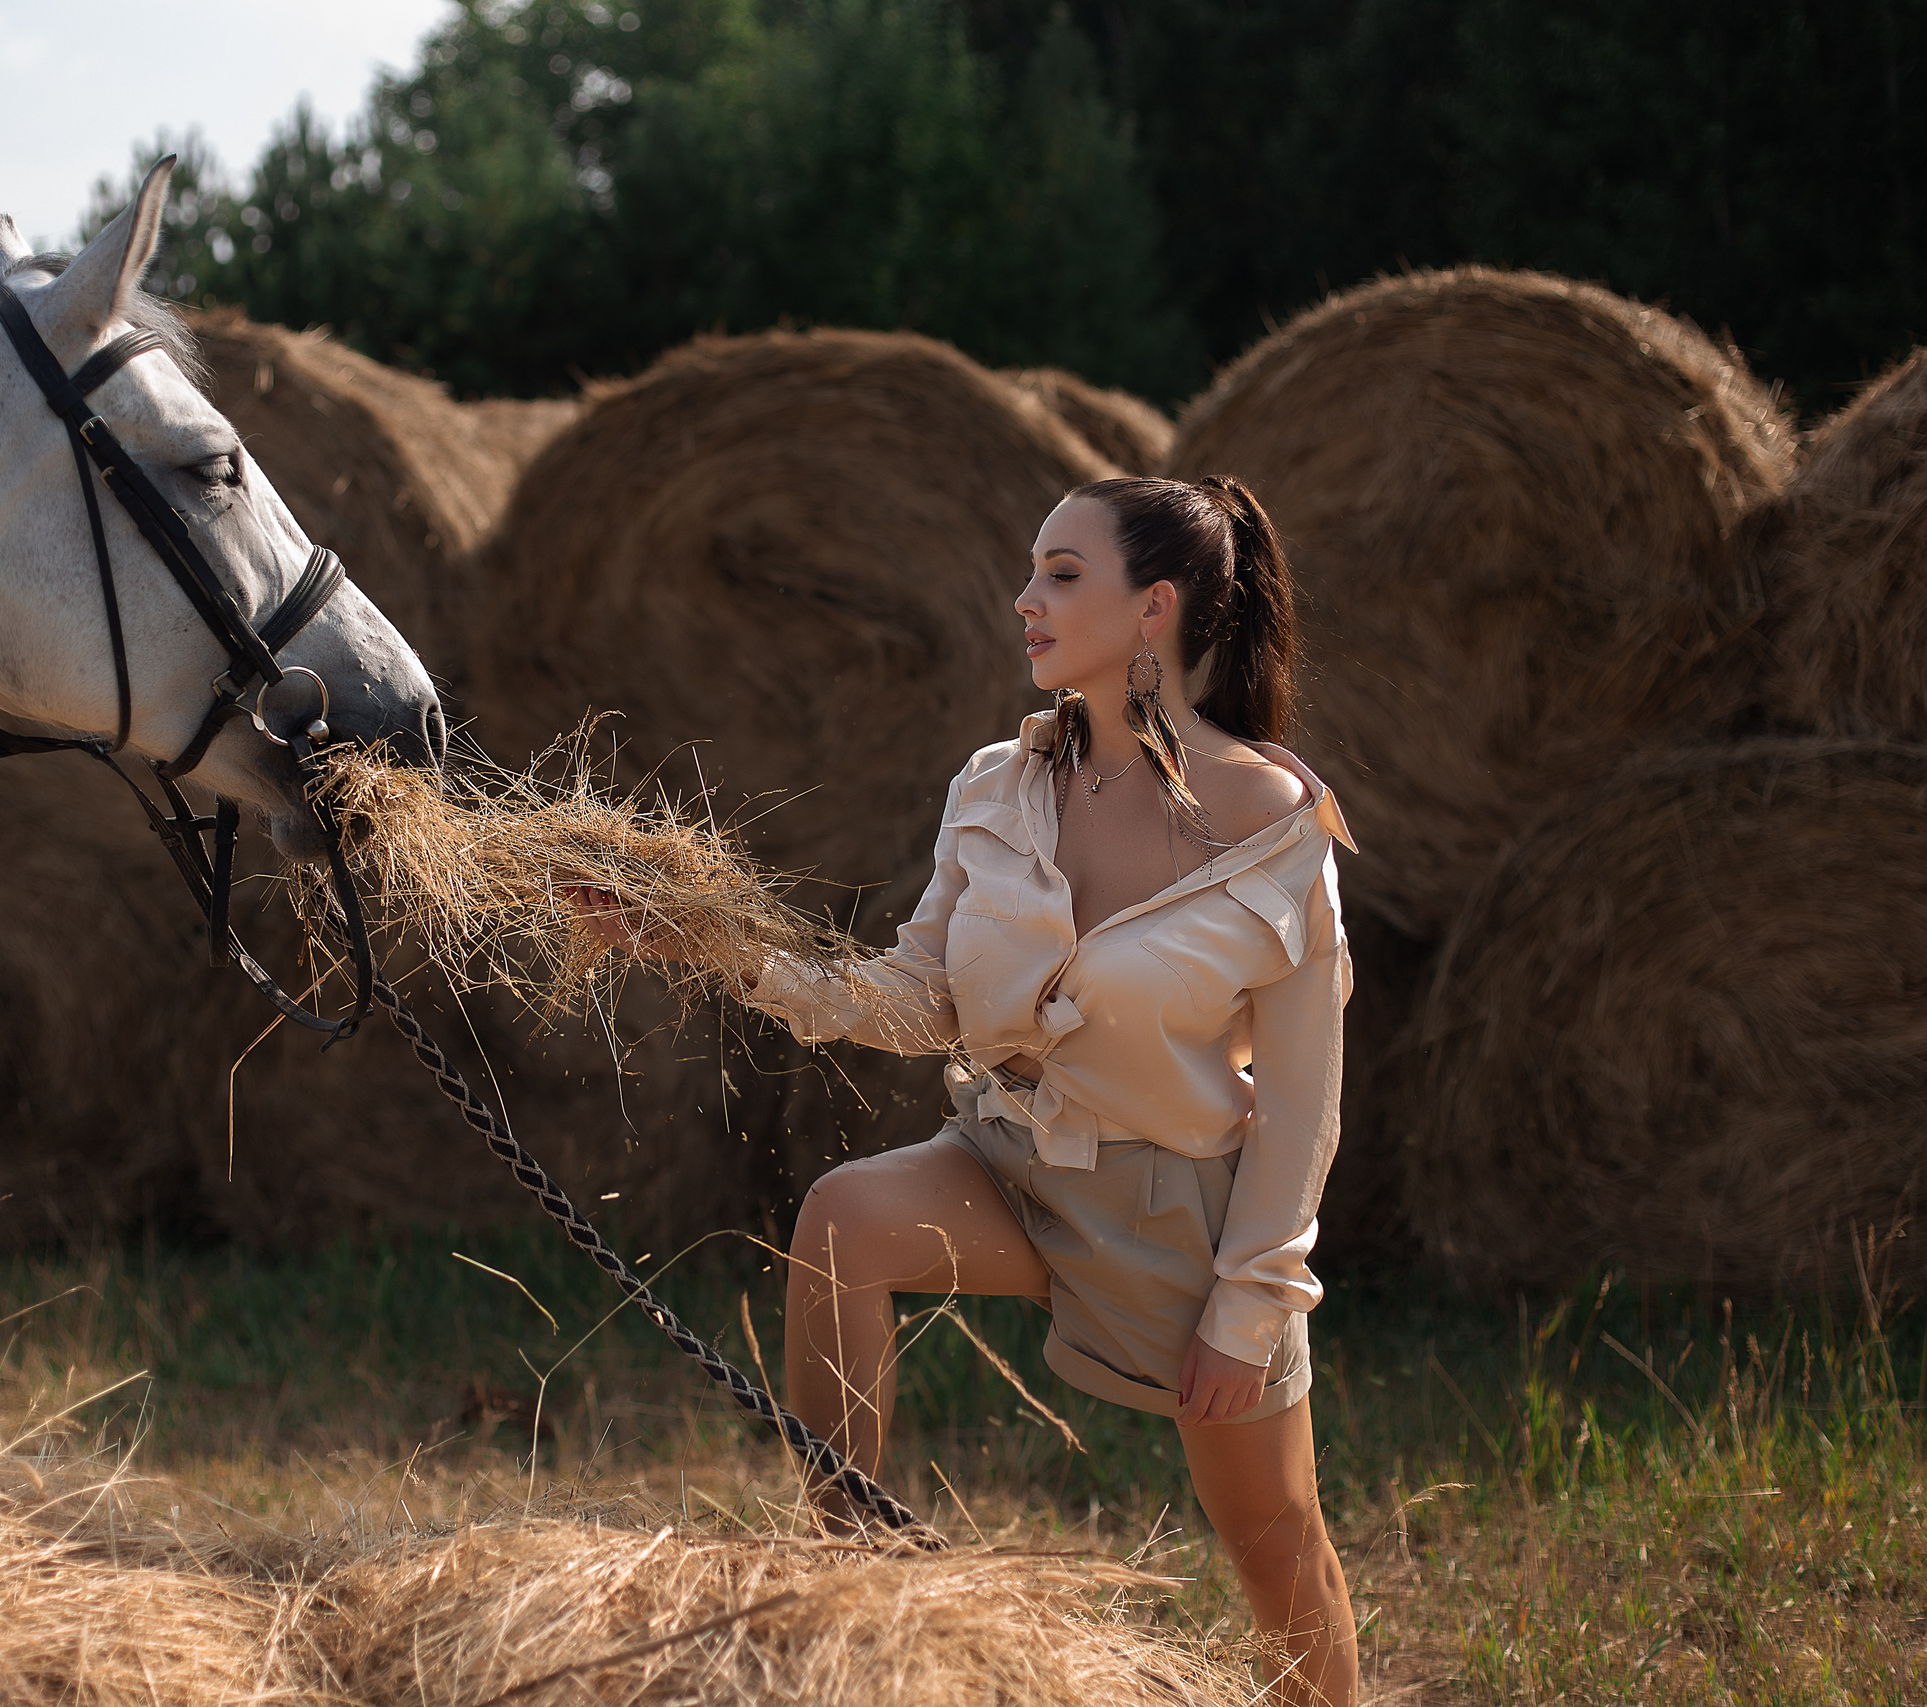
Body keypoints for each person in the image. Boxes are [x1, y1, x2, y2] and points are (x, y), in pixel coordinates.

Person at [582, 475, 1358, 1707]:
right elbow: (915, 997)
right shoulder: (1001, 782)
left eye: (1061, 575)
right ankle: (851, 1606)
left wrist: (1247, 1305)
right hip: (1006, 1158)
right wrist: (705, 945)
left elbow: (1306, 1101)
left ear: (1154, 607)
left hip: (1181, 1217)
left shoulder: (1275, 831)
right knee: (842, 1219)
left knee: (1274, 1546)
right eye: (1029, 572)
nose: (1023, 601)